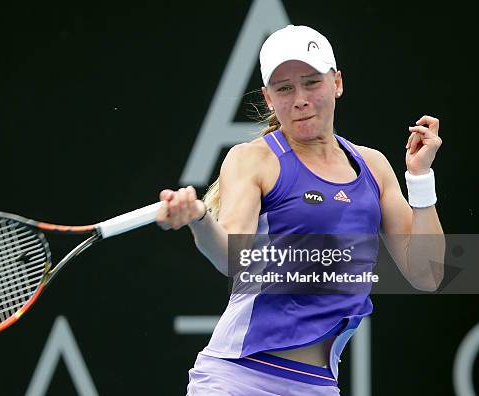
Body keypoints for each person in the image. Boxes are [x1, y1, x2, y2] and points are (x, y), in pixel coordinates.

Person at [156, 25, 444, 395]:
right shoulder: (252, 160)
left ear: (337, 82)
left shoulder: (373, 166)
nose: (300, 99)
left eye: (311, 82)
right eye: (285, 88)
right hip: (237, 380)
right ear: (268, 97)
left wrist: (420, 179)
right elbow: (234, 258)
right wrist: (199, 219)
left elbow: (428, 275)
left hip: (318, 385)